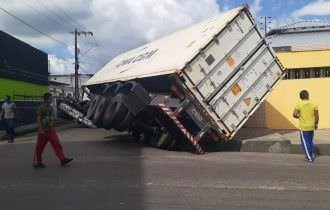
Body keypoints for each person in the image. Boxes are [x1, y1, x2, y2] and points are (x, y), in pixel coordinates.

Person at [33, 93, 73, 168]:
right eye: (50, 98)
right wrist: (40, 129)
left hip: (51, 130)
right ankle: (38, 162)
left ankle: (62, 159)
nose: (51, 100)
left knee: (57, 144)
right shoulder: (41, 108)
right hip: (43, 131)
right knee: (39, 147)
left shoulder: (51, 108)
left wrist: (53, 126)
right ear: (46, 99)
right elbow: (38, 118)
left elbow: (51, 118)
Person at [293, 90, 319, 162]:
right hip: (311, 126)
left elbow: (294, 114)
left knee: (304, 142)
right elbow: (316, 116)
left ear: (300, 97)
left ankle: (309, 157)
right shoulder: (314, 104)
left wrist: (299, 116)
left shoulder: (299, 104)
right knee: (310, 141)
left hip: (303, 127)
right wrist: (316, 124)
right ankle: (311, 154)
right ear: (308, 96)